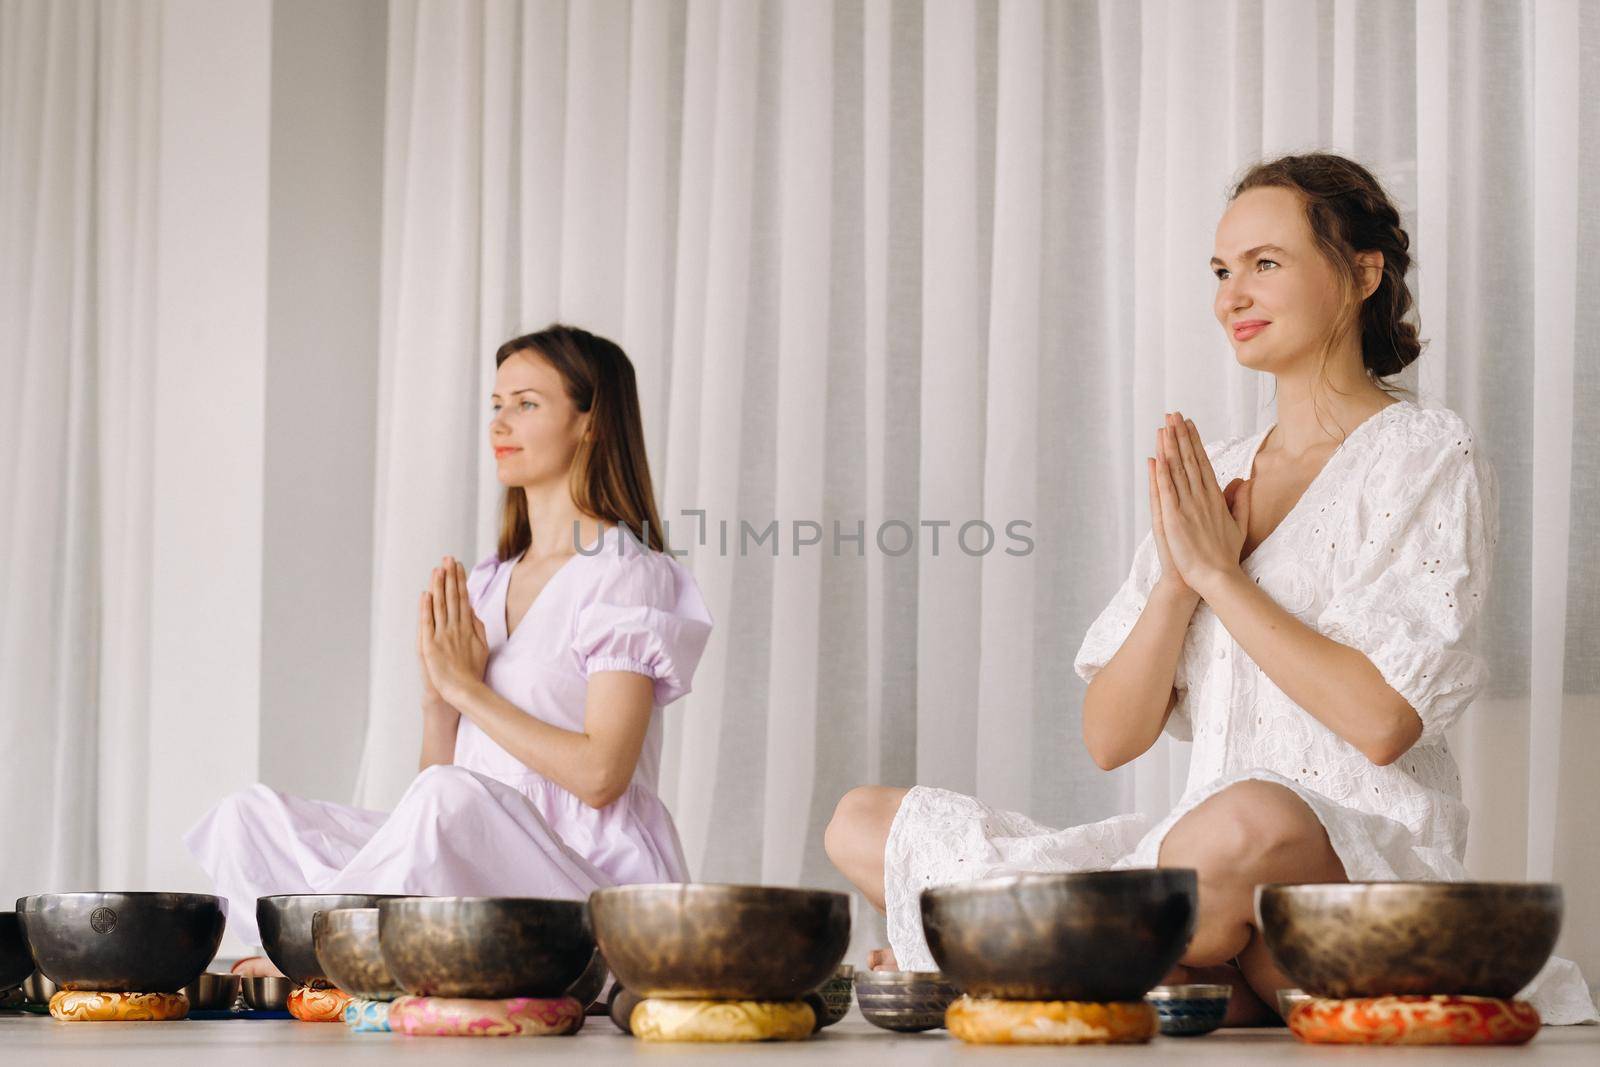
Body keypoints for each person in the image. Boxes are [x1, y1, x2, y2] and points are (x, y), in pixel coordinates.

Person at [824, 154, 1595, 1025]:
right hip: (1205, 887)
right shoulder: (1214, 473)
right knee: (863, 820)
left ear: (1363, 273)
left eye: (1266, 263)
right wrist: (1179, 584)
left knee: (1245, 820)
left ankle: (1006, 953)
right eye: (1222, 271)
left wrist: (1224, 578)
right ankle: (1128, 962)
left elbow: (1384, 723)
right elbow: (1111, 737)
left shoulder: (1423, 451)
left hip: (1339, 886)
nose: (1232, 295)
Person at [187, 325, 713, 975]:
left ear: (591, 420)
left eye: (526, 403)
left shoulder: (626, 571)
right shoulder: (489, 582)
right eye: (496, 404)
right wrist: (438, 699)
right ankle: (336, 942)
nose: (500, 423)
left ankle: (323, 950)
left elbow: (602, 775)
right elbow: (439, 780)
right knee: (250, 815)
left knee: (447, 800)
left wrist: (470, 690)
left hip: (590, 888)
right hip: (482, 882)